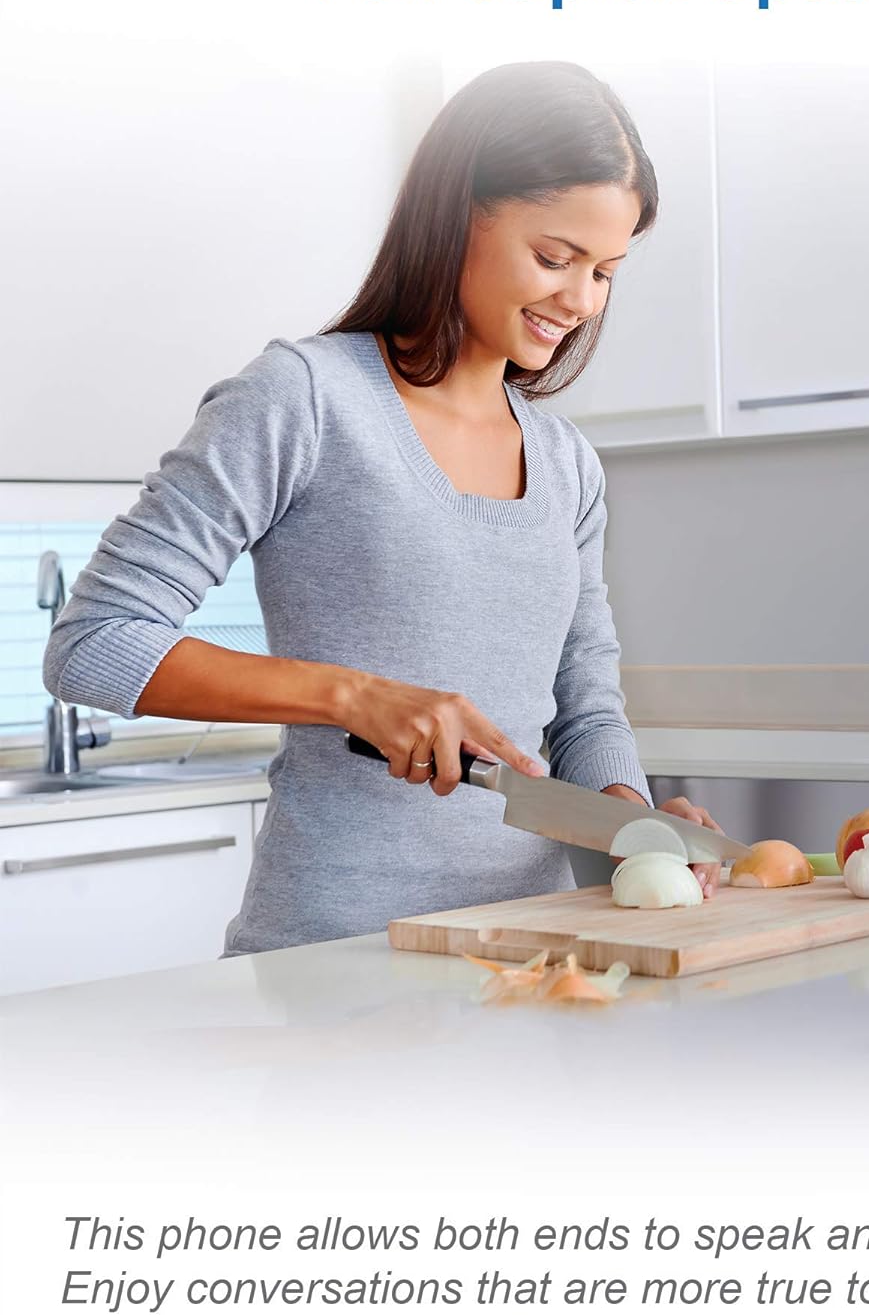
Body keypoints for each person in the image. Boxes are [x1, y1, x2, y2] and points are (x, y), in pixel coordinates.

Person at [42, 60, 723, 955]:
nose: (580, 300)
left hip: (531, 956)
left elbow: (584, 709)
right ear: (459, 212)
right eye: (555, 257)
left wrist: (634, 826)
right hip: (336, 956)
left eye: (604, 271)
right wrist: (352, 696)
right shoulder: (306, 399)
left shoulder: (568, 466)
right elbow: (94, 644)